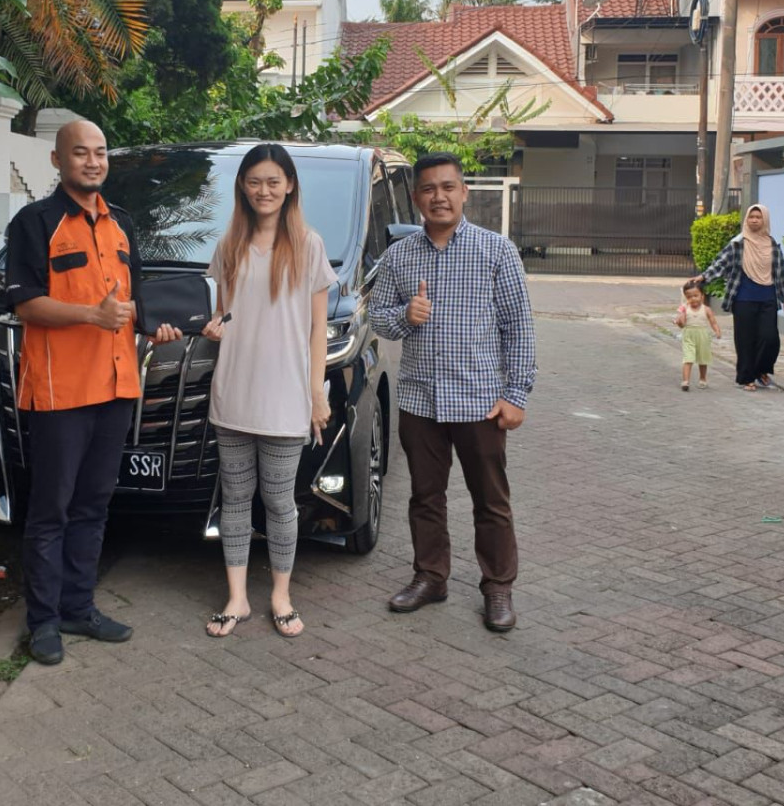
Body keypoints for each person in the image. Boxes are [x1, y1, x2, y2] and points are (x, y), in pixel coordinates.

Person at [4, 120, 183, 666]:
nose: (92, 161)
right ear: (58, 160)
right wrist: (91, 315)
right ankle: (43, 622)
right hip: (61, 392)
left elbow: (132, 303)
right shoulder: (35, 222)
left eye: (100, 152)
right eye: (80, 152)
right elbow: (25, 304)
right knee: (50, 510)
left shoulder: (121, 224)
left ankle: (79, 608)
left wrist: (157, 327)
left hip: (117, 386)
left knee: (94, 505)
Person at [372, 152, 536, 633]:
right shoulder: (399, 256)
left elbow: (518, 327)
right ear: (416, 197)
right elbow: (378, 317)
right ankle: (431, 577)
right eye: (428, 189)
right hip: (420, 400)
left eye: (448, 187)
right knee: (425, 497)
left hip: (480, 401)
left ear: (464, 192)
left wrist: (517, 394)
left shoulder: (496, 250)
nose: (438, 197)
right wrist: (406, 315)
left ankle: (498, 586)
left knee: (490, 499)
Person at [199, 145, 336, 640]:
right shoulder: (229, 245)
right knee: (235, 498)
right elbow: (224, 315)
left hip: (285, 397)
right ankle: (236, 598)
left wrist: (316, 395)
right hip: (234, 393)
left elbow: (318, 330)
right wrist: (214, 327)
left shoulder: (308, 246)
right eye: (255, 181)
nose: (264, 190)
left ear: (290, 185)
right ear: (243, 186)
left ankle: (281, 595)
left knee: (279, 501)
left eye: (273, 181)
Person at [688, 203, 784, 393]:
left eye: (758, 217)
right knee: (745, 340)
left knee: (770, 338)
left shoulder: (772, 245)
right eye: (751, 217)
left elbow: (780, 273)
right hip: (743, 298)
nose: (754, 220)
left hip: (768, 298)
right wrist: (704, 277)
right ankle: (747, 378)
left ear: (765, 220)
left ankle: (761, 370)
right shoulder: (738, 243)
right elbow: (721, 263)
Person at [675, 283, 722, 391]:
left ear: (702, 296)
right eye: (689, 297)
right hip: (688, 336)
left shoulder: (706, 309)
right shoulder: (685, 309)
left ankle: (702, 378)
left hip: (703, 336)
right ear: (686, 298)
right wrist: (680, 320)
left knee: (703, 359)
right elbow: (682, 325)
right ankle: (685, 381)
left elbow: (713, 322)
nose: (693, 299)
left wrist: (717, 331)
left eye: (696, 295)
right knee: (688, 358)